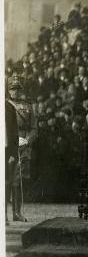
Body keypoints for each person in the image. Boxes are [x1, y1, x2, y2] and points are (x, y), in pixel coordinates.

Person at [6, 77, 37, 222]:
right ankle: (6, 213)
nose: (15, 92)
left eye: (18, 89)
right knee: (8, 179)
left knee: (19, 179)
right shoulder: (5, 105)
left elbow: (34, 128)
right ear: (8, 90)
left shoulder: (28, 106)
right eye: (12, 89)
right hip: (8, 144)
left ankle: (17, 212)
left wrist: (27, 140)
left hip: (23, 145)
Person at [5, 94, 19, 224]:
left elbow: (15, 132)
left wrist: (13, 153)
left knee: (6, 182)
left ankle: (3, 215)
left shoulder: (9, 108)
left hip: (6, 150)